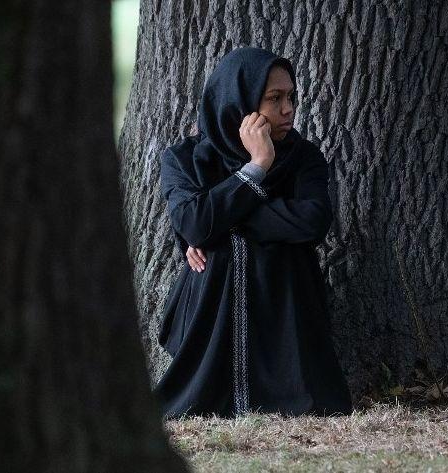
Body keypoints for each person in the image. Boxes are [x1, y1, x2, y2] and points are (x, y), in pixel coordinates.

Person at [155, 46, 352, 419]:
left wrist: (219, 219)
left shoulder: (302, 158)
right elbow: (193, 223)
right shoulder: (184, 159)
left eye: (291, 97)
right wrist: (257, 169)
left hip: (287, 310)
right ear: (238, 100)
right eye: (274, 98)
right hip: (206, 309)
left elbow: (311, 222)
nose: (288, 109)